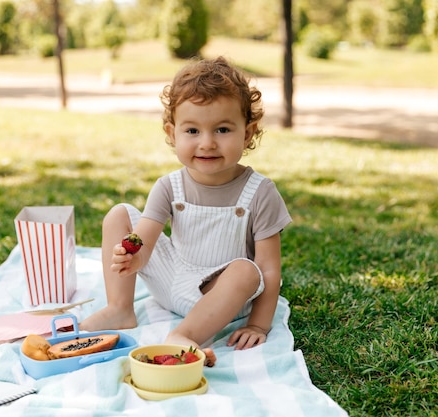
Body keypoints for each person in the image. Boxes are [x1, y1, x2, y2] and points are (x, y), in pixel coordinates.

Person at [80, 56, 292, 366]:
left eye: (222, 129)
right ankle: (120, 307)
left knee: (248, 269)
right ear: (172, 132)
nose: (207, 143)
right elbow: (145, 238)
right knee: (119, 214)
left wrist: (258, 324)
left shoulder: (260, 192)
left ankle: (185, 334)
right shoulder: (169, 186)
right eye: (192, 131)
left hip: (219, 296)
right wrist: (134, 257)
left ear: (247, 133)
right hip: (172, 280)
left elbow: (269, 269)